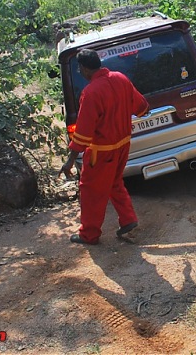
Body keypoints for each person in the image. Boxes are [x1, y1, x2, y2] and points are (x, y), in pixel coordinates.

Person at [59, 48, 149, 245]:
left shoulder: (91, 92)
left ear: (83, 68)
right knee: (114, 182)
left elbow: (82, 133)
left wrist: (70, 161)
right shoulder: (120, 78)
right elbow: (142, 107)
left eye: (79, 69)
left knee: (90, 190)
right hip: (123, 145)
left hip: (102, 151)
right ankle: (128, 219)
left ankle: (89, 235)